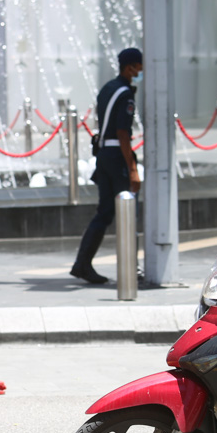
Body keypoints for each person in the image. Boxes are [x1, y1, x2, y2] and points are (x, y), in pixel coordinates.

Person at [70, 48, 142, 285]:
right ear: (130, 66)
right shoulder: (125, 94)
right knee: (128, 210)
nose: (141, 70)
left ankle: (82, 263)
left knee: (105, 213)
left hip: (103, 155)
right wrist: (132, 168)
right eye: (139, 65)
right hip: (117, 156)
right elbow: (122, 133)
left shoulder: (108, 89)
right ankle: (132, 269)